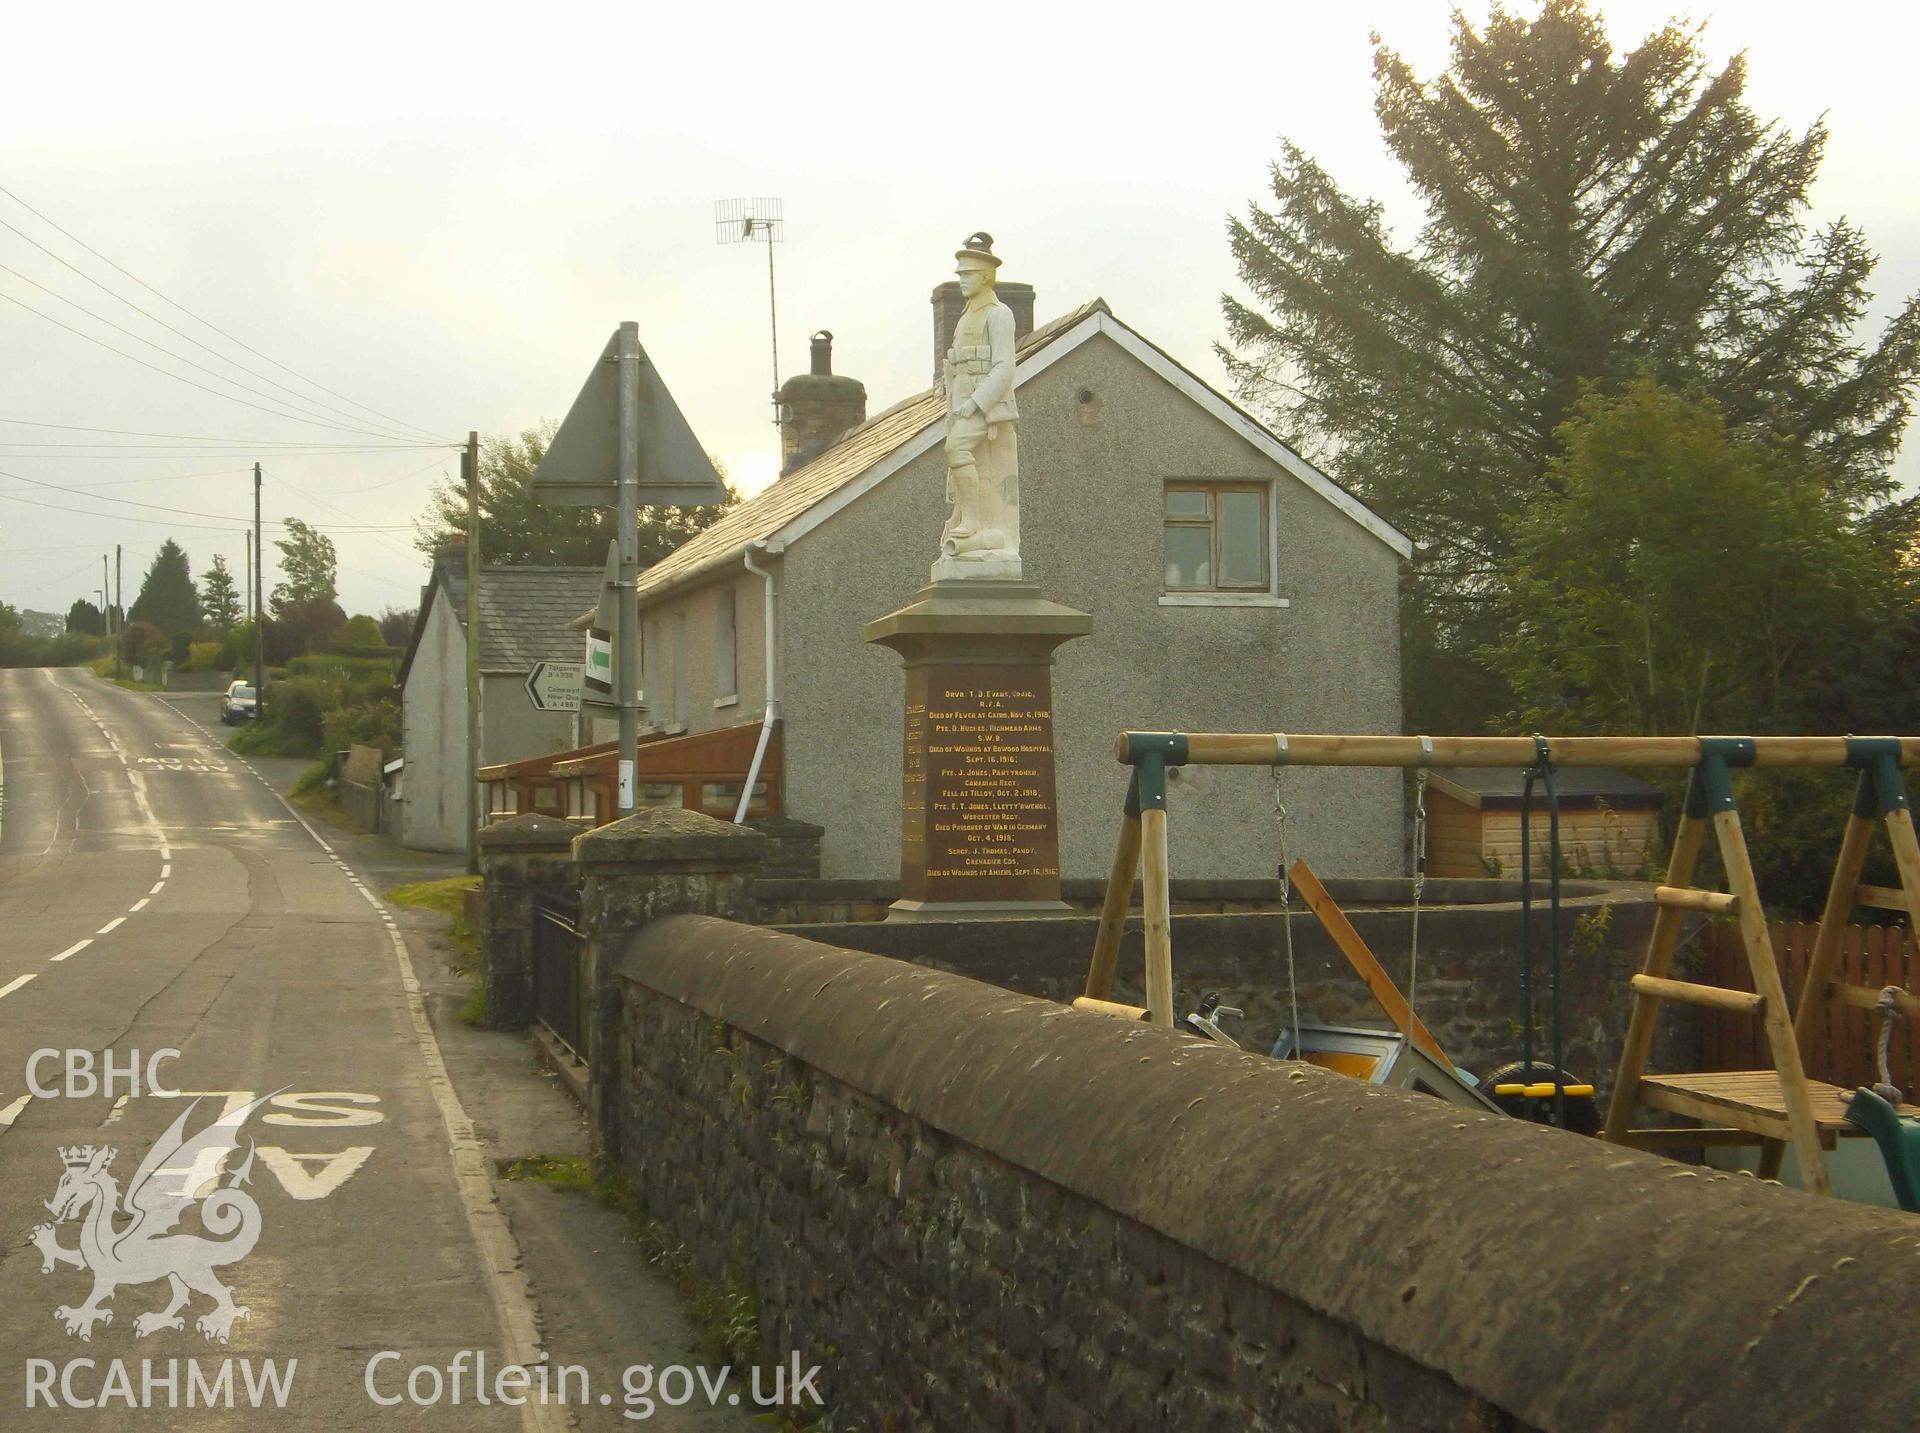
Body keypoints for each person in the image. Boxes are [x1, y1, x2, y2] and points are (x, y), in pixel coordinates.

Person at [938, 232, 1020, 573]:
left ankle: (972, 521)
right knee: (955, 453)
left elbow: (1004, 367)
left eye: (968, 274)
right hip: (961, 403)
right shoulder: (965, 316)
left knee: (955, 449)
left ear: (986, 275)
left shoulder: (999, 314)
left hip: (985, 407)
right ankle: (968, 519)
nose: (962, 281)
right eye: (960, 275)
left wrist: (977, 403)